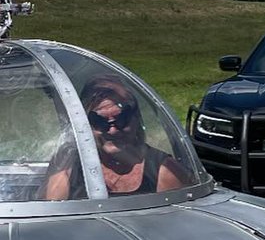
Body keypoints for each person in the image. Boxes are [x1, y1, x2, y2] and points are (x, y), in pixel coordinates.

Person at [40, 76, 191, 200]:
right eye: (99, 121)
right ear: (86, 125)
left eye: (121, 119)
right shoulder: (69, 167)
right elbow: (51, 217)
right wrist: (65, 159)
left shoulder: (164, 170)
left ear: (135, 119)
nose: (112, 131)